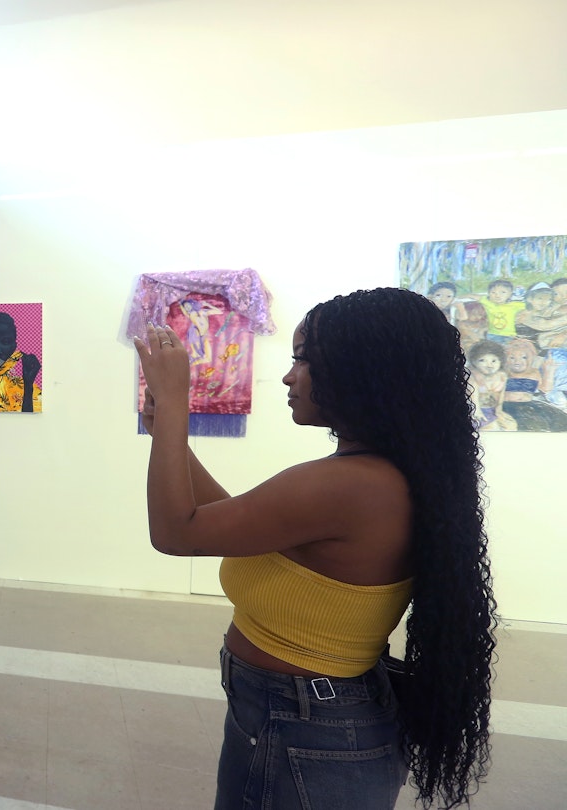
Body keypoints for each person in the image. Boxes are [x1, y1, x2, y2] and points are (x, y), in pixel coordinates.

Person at [133, 287, 496, 810]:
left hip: (304, 726)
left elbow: (177, 532)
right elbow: (228, 525)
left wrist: (173, 405)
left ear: (363, 373)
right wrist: (166, 432)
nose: (288, 375)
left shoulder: (348, 485)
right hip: (304, 718)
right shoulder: (383, 478)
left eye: (304, 360)